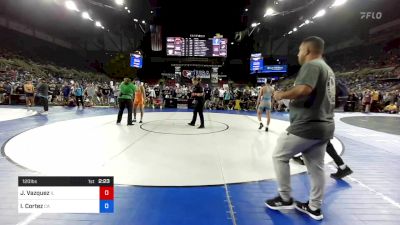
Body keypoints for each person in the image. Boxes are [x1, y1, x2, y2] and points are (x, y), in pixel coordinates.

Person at [265, 36, 335, 221]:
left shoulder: (312, 66)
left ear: (308, 51)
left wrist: (282, 95)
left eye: (299, 50)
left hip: (307, 125)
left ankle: (284, 197)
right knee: (316, 168)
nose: (298, 54)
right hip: (324, 125)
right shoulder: (327, 69)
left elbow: (304, 89)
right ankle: (314, 207)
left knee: (279, 155)